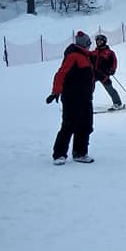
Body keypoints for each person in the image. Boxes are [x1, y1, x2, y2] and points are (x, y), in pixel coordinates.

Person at [46, 31, 95, 165]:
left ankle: (80, 153)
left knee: (85, 126)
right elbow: (61, 74)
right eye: (88, 44)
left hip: (85, 98)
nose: (90, 46)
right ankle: (59, 154)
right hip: (72, 98)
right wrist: (56, 92)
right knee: (69, 125)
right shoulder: (73, 56)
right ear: (84, 44)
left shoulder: (86, 57)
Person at [91, 34, 123, 110]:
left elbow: (114, 62)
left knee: (110, 88)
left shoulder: (109, 52)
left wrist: (112, 70)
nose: (98, 42)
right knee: (88, 88)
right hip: (94, 74)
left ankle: (117, 103)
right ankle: (84, 104)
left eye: (100, 41)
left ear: (104, 41)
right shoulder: (94, 52)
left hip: (103, 74)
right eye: (97, 41)